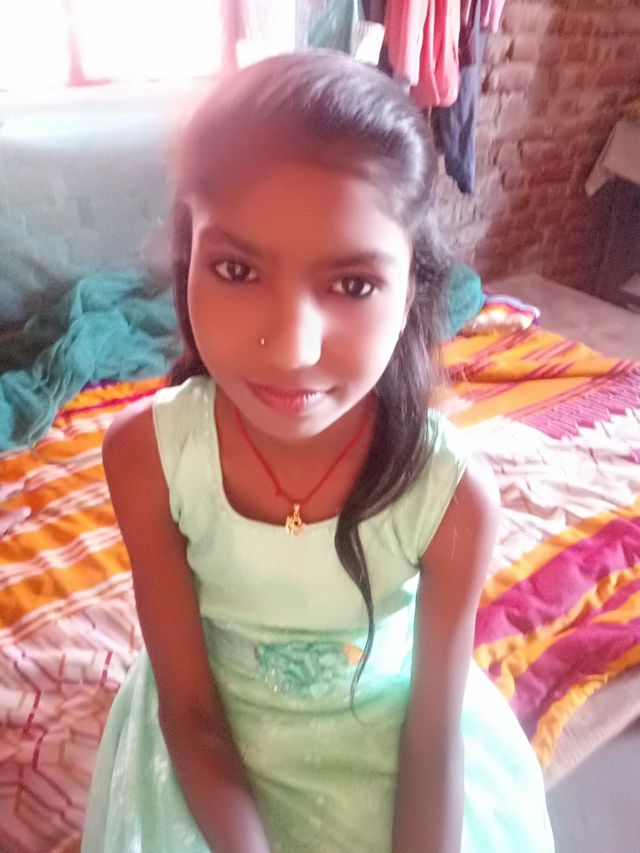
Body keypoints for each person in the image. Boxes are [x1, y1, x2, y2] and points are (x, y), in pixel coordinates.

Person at [82, 51, 554, 853]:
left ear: (411, 289)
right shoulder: (147, 458)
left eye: (352, 284)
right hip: (207, 755)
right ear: (188, 258)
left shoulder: (450, 497)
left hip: (392, 751)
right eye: (237, 269)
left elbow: (432, 740)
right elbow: (189, 711)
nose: (293, 351)